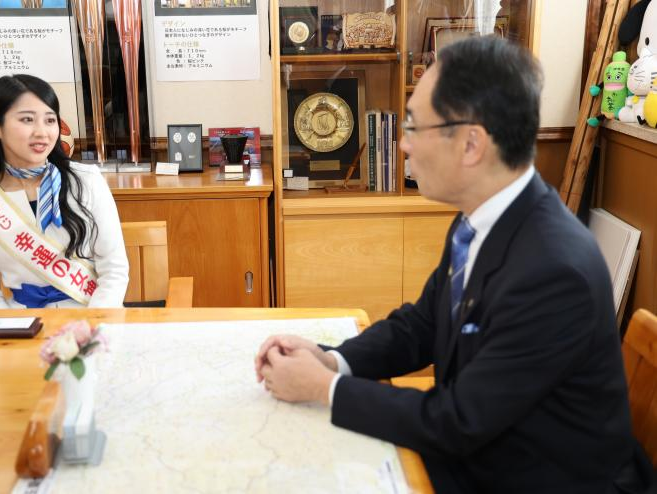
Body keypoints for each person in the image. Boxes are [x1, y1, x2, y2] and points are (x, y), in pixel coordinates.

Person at [255, 36, 655, 493]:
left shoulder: (554, 271)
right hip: (484, 450)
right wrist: (331, 359)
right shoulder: (479, 217)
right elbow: (421, 325)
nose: (402, 145)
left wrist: (324, 389)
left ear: (471, 145)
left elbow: (459, 421)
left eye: (413, 127)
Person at [0, 74, 128, 309]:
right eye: (27, 119)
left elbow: (114, 270)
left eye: (50, 120)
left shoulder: (87, 181)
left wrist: (93, 328)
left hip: (93, 316)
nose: (42, 132)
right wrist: (10, 338)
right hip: (21, 325)